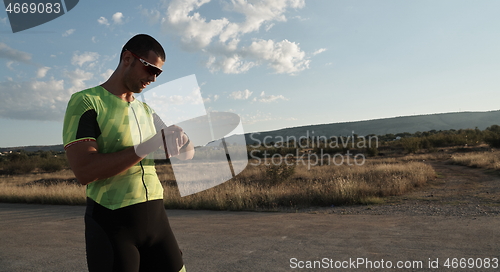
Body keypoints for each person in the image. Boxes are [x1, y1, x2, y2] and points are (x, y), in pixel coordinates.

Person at [63, 34, 193, 272]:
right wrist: (148, 145)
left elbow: (186, 154)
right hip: (112, 225)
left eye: (159, 73)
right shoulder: (87, 101)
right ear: (127, 58)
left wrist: (181, 139)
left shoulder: (145, 110)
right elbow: (84, 170)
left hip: (157, 222)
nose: (153, 78)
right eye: (150, 69)